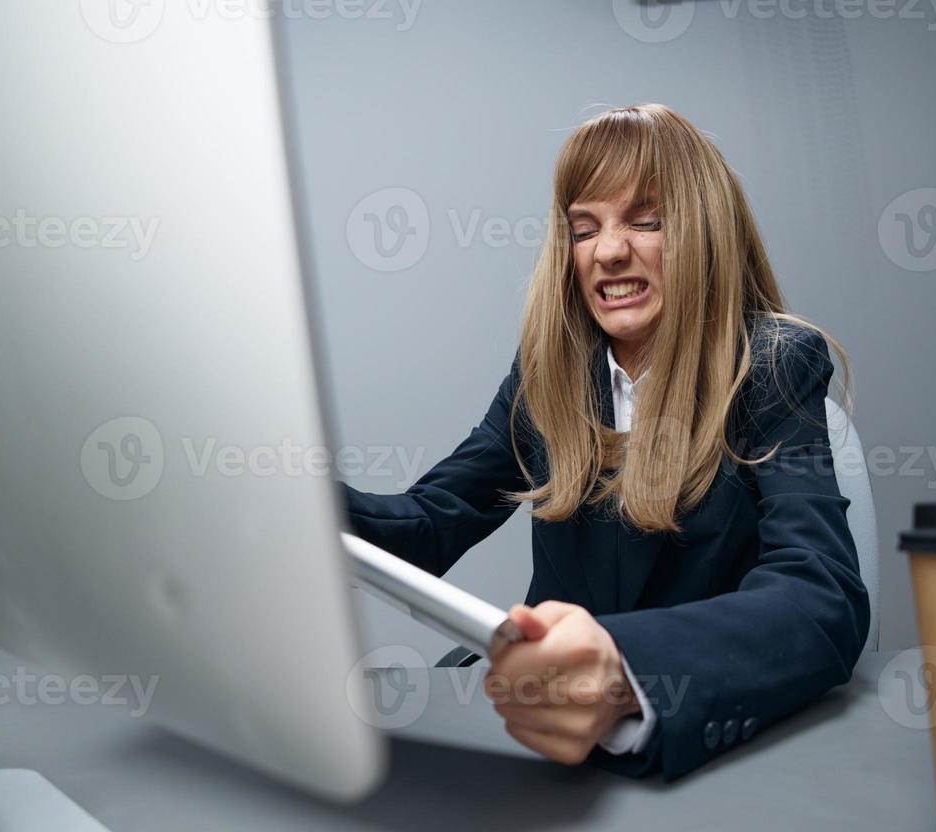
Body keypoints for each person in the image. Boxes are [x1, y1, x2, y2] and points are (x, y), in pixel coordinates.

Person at [342, 104, 869, 780]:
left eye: (645, 221)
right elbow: (429, 522)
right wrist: (289, 502)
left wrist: (621, 663)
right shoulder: (547, 377)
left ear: (703, 229)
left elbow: (820, 599)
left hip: (696, 744)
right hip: (544, 743)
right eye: (583, 229)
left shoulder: (770, 366)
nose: (609, 250)